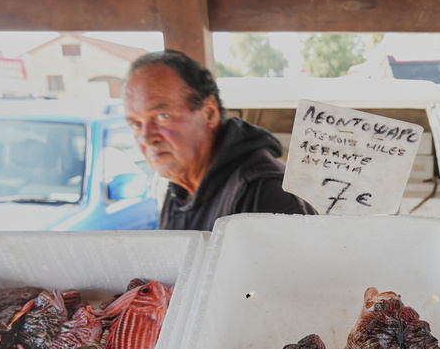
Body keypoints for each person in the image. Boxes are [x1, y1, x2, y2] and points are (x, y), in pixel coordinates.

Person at [122, 50, 316, 230]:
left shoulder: (267, 194)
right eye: (136, 124)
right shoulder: (178, 191)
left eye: (162, 116)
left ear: (209, 113)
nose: (147, 138)